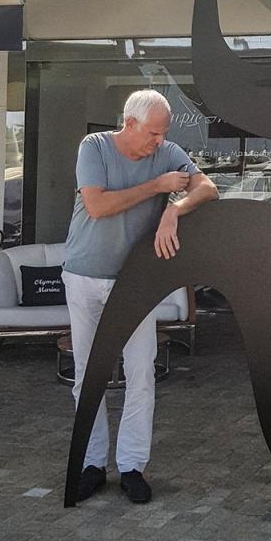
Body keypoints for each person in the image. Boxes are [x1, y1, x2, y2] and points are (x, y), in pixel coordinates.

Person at [62, 89, 218, 504]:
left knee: (141, 375)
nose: (158, 141)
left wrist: (174, 209)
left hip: (135, 282)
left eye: (163, 133)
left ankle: (132, 466)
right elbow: (96, 206)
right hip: (83, 276)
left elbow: (208, 188)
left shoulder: (166, 152)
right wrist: (156, 188)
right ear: (129, 123)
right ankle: (92, 464)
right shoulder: (93, 148)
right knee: (88, 375)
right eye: (152, 133)